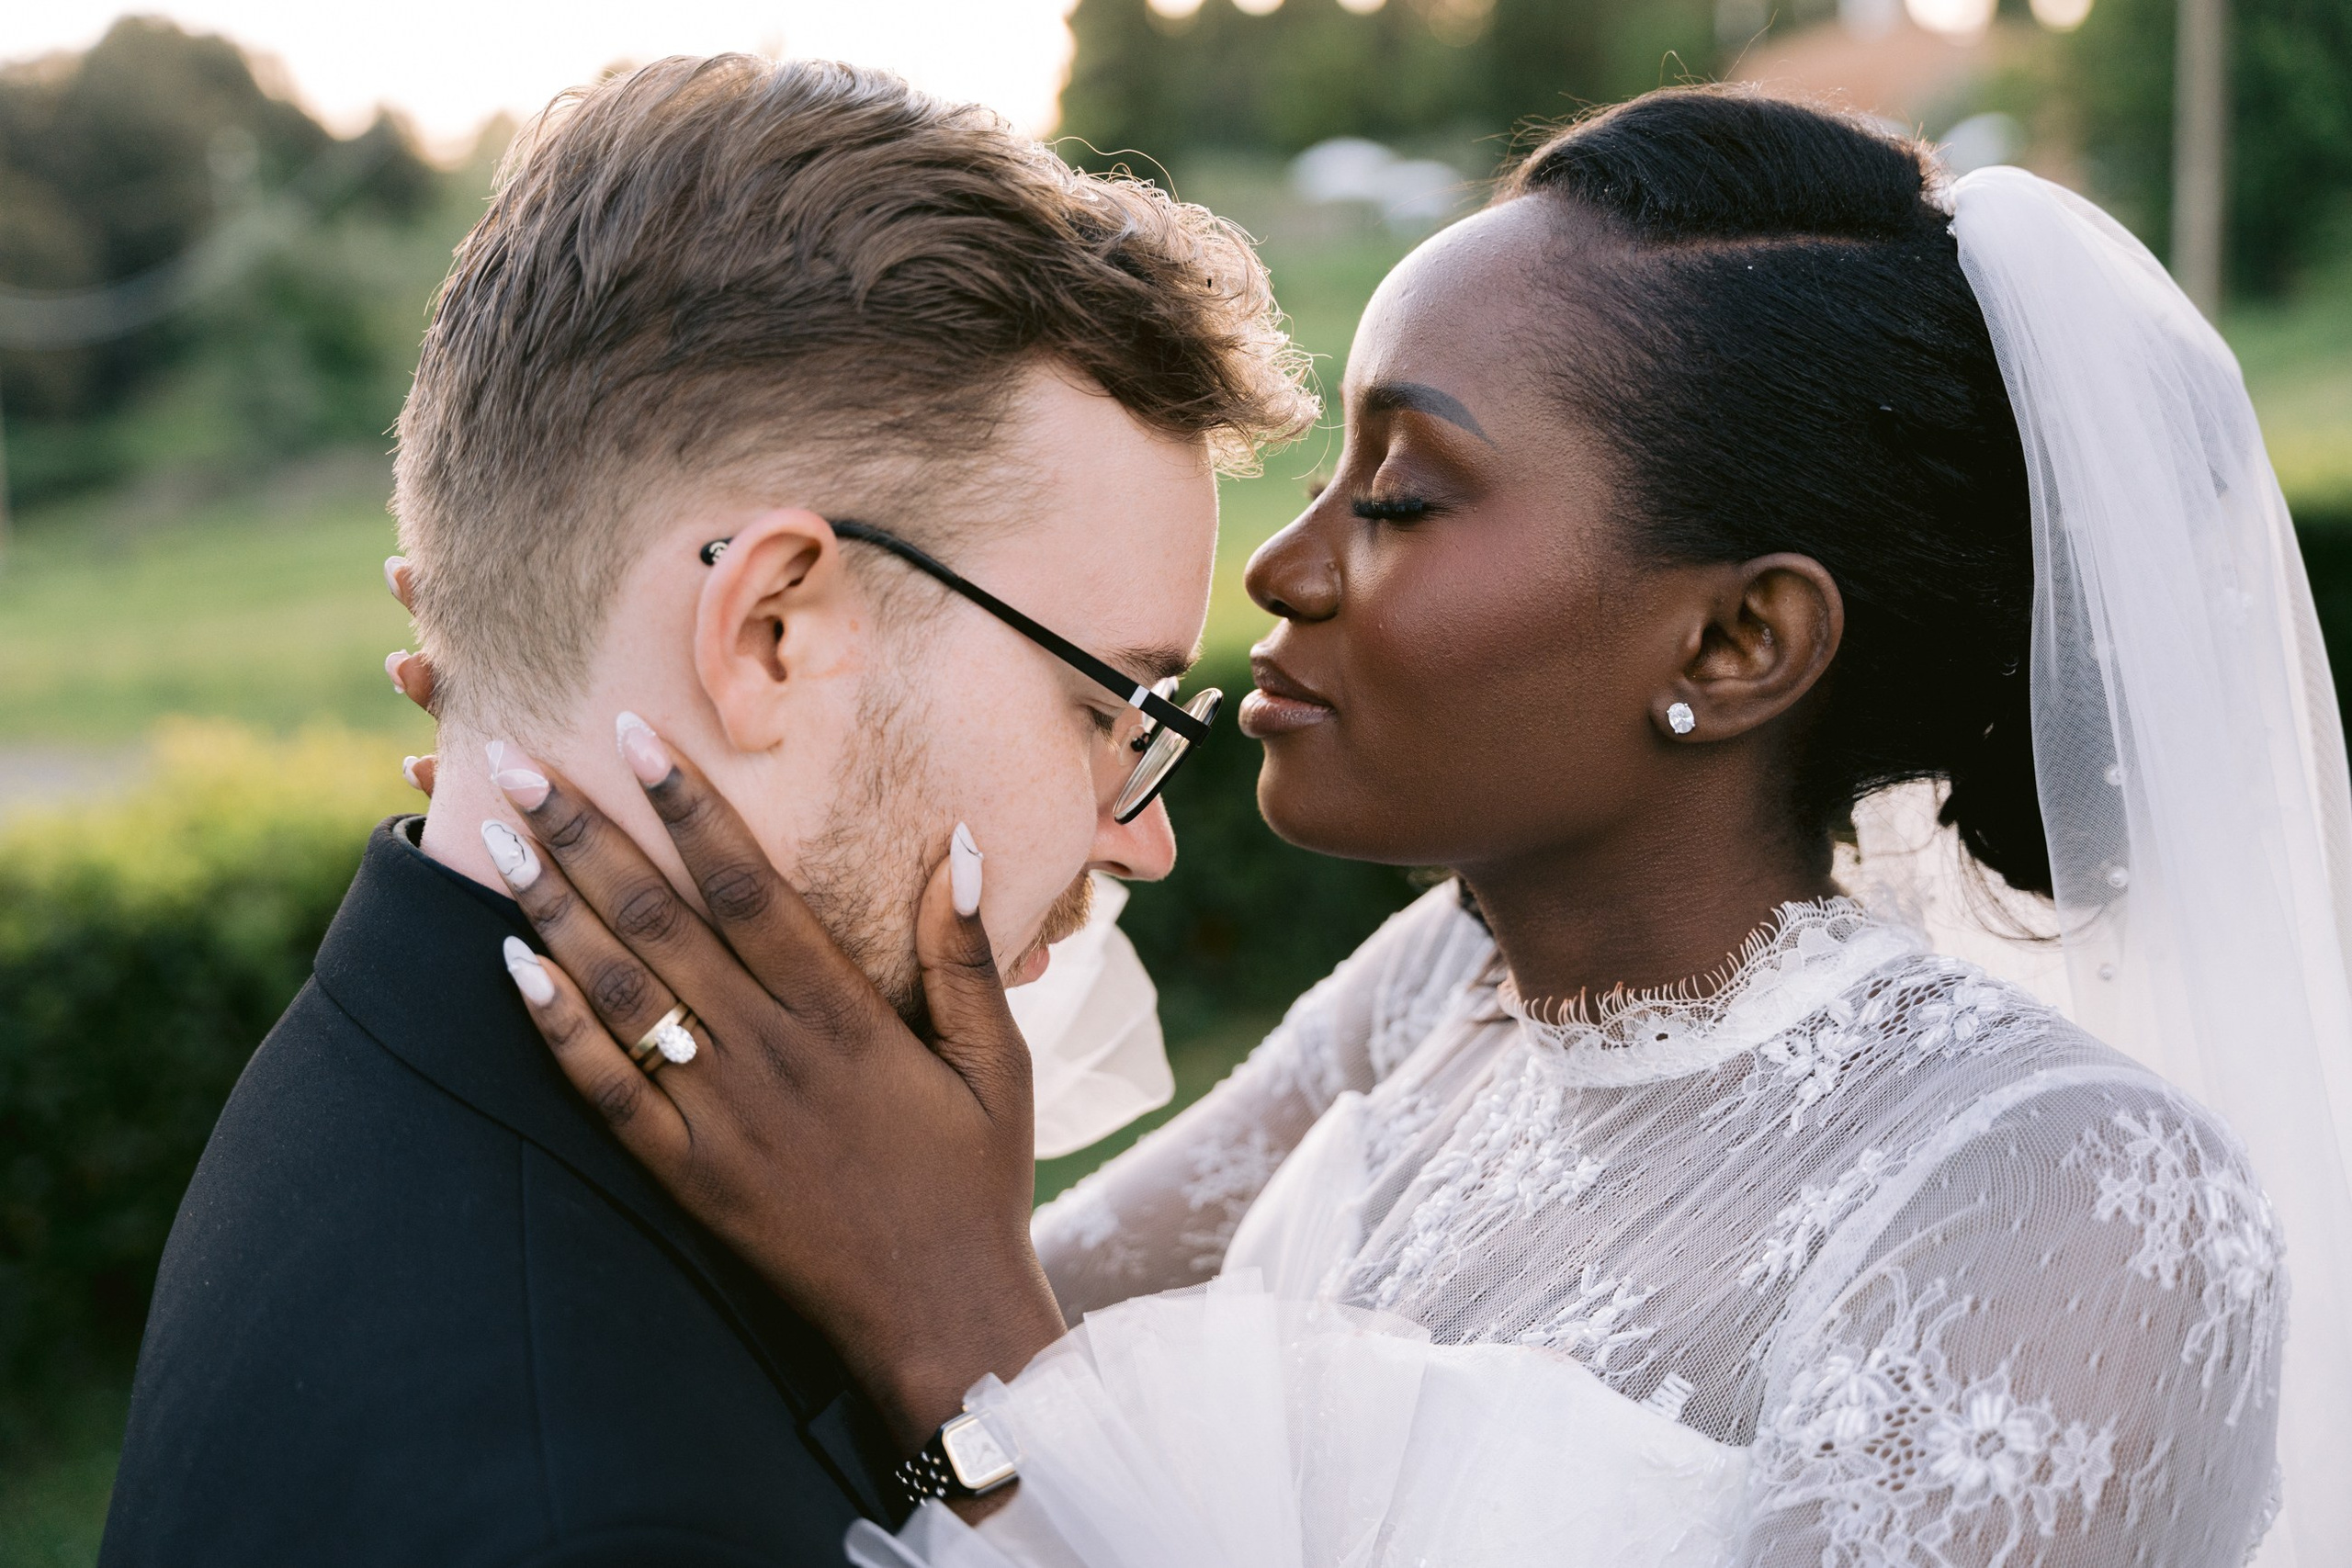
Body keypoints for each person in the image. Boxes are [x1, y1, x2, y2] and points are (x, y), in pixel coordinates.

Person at [474, 88, 2352, 1567]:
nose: (1284, 573)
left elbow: (960, 1325)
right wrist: (568, 707)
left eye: (1403, 493)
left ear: (1734, 638)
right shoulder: (1441, 985)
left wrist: (963, 1347)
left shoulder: (2074, 1209)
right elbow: (913, 1264)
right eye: (1324, 477)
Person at [97, 55, 1310, 1568]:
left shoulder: (403, 1043)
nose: (1145, 833)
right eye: (1104, 704)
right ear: (772, 634)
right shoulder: (599, 1515)